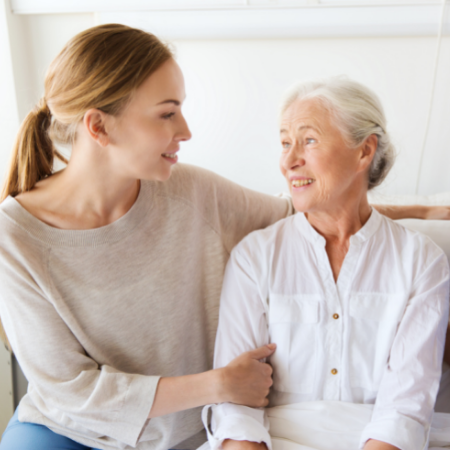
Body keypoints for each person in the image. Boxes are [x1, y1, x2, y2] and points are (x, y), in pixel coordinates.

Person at [0, 24, 446, 450]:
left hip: (185, 432)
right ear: (98, 126)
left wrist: (423, 210)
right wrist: (217, 384)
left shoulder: (192, 192)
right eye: (168, 112)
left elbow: (312, 207)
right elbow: (69, 391)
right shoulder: (13, 238)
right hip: (67, 431)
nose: (186, 130)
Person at [205, 78, 450, 450]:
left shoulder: (421, 261)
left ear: (364, 151)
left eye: (309, 140)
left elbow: (405, 408)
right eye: (285, 143)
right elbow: (235, 407)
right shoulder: (254, 256)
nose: (289, 161)